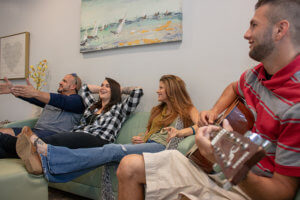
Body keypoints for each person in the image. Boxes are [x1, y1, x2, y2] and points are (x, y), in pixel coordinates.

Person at [116, 0, 300, 199]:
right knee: (128, 166)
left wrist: (228, 160)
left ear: (280, 30)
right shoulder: (256, 75)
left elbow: (282, 193)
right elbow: (233, 88)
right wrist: (213, 112)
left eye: (254, 25)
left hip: (250, 190)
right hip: (219, 173)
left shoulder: (296, 105)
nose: (246, 34)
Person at [17, 75, 198, 183]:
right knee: (106, 157)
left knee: (110, 149)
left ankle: (47, 153)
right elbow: (86, 90)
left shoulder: (187, 108)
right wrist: (143, 138)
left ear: (172, 90)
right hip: (150, 144)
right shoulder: (158, 110)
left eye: (161, 88)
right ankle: (46, 166)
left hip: (163, 148)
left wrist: (181, 132)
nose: (157, 91)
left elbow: (202, 126)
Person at [16, 77, 144, 175]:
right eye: (101, 85)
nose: (102, 88)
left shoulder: (121, 108)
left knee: (64, 138)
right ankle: (27, 150)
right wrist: (103, 88)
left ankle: (35, 145)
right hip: (81, 136)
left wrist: (119, 89)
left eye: (107, 86)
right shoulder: (93, 105)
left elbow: (137, 91)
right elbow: (84, 88)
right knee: (67, 138)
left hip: (100, 140)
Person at [0, 74, 85, 158]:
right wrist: (13, 90)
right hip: (34, 131)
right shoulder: (52, 100)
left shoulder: (77, 101)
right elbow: (33, 97)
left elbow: (61, 100)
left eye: (64, 81)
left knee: (7, 139)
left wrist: (36, 92)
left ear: (73, 86)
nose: (60, 82)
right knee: (3, 131)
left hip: (51, 136)